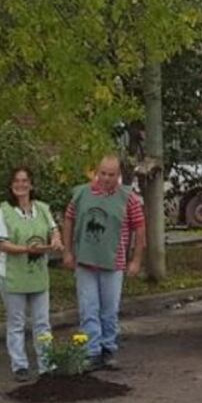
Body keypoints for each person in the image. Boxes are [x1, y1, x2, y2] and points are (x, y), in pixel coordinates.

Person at [63, 154, 145, 370]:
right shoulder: (81, 194)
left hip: (113, 263)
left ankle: (108, 348)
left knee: (109, 309)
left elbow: (140, 228)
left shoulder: (129, 199)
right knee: (88, 307)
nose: (106, 178)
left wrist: (136, 260)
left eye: (111, 175)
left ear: (118, 176)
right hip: (85, 261)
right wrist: (68, 252)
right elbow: (69, 220)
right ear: (97, 172)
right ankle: (92, 351)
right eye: (103, 174)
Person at [0, 166, 63, 381]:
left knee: (42, 321)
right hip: (13, 274)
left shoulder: (42, 208)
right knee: (16, 322)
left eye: (24, 181)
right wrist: (27, 250)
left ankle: (47, 363)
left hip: (37, 273)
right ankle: (20, 365)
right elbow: (2, 244)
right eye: (16, 181)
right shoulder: (3, 211)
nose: (20, 185)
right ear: (11, 185)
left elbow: (53, 229)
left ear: (31, 185)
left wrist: (56, 241)